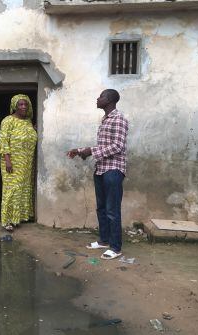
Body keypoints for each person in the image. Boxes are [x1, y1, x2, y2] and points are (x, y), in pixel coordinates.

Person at [67, 89, 128, 260]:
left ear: (109, 100)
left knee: (112, 210)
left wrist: (90, 151)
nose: (97, 98)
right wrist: (80, 151)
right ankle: (104, 240)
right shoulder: (105, 120)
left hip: (113, 170)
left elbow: (118, 146)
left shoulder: (119, 119)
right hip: (101, 168)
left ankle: (116, 248)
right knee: (101, 207)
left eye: (101, 96)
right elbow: (102, 147)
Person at [0, 94, 37, 232]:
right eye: (20, 104)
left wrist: (34, 130)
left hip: (26, 163)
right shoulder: (8, 121)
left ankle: (17, 218)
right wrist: (8, 160)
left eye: (25, 104)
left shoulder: (28, 122)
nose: (23, 107)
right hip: (11, 162)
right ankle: (7, 221)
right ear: (15, 106)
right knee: (11, 190)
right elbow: (3, 141)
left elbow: (29, 136)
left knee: (23, 189)